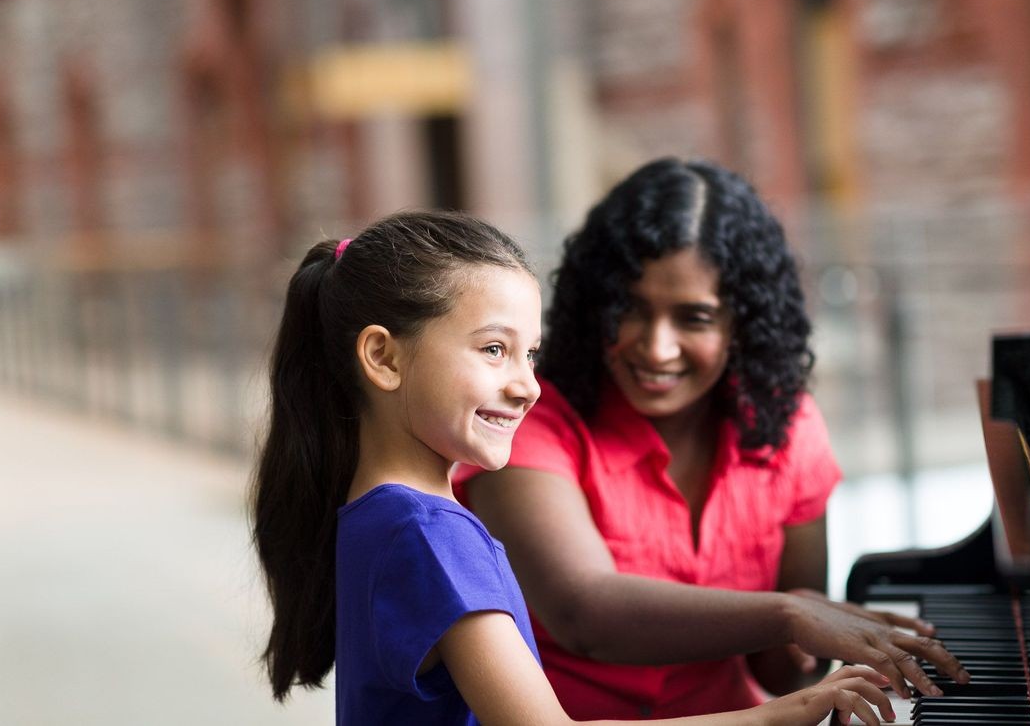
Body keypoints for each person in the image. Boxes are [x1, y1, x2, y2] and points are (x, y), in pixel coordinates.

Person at [250, 209, 898, 725]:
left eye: (530, 353)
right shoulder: (431, 535)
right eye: (495, 349)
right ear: (383, 358)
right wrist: (780, 715)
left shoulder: (376, 513)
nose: (528, 385)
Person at [454, 159, 970, 720]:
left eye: (694, 318)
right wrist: (789, 614)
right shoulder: (530, 417)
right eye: (630, 309)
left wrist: (823, 637)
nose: (656, 347)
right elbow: (585, 615)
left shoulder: (786, 426)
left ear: (742, 325)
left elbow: (780, 673)